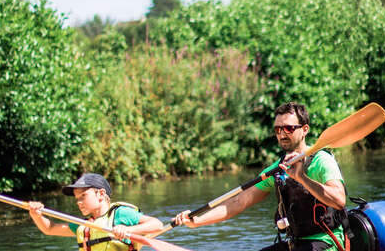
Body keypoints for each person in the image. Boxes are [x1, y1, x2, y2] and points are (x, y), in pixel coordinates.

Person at [174, 102, 349, 251]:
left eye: (288, 128)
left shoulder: (322, 161)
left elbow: (339, 200)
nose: (282, 134)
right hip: (295, 244)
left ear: (304, 130)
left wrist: (301, 177)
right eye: (278, 129)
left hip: (327, 242)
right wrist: (196, 221)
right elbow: (238, 202)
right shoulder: (278, 168)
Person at [28, 173, 163, 251]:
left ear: (101, 194)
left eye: (83, 196)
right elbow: (50, 229)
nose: (78, 202)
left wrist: (129, 230)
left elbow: (157, 224)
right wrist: (36, 215)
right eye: (76, 198)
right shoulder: (83, 225)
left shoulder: (121, 214)